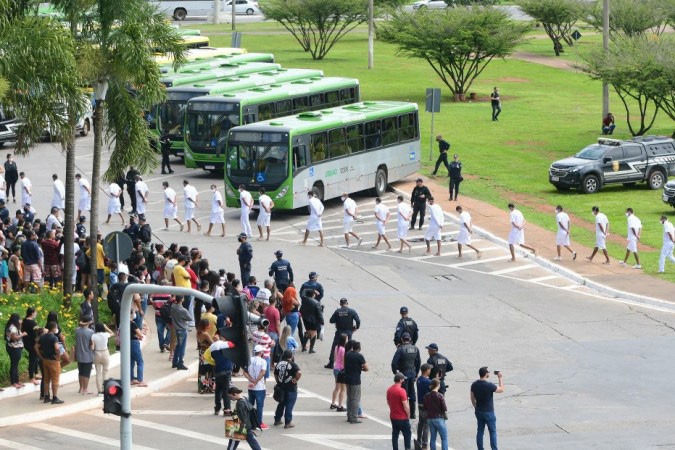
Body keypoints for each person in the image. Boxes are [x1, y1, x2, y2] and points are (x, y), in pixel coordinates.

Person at [471, 367, 504, 450]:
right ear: (486, 374)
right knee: (492, 432)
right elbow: (501, 390)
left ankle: (480, 448)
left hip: (479, 411)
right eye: (488, 372)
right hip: (489, 412)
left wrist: (476, 407)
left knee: (480, 431)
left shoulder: (474, 384)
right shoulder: (489, 385)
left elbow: (472, 398)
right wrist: (500, 378)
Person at [391, 332, 421, 419]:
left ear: (402, 339)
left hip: (403, 373)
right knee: (412, 393)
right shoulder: (415, 349)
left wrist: (396, 373)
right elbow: (418, 362)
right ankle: (413, 413)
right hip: (412, 373)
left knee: (404, 394)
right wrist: (416, 373)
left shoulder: (401, 349)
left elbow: (394, 363)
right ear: (410, 339)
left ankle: (404, 413)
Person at [326, 297, 360, 369]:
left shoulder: (337, 311)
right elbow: (358, 320)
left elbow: (331, 321)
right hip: (348, 332)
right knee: (348, 347)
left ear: (340, 304)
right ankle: (348, 363)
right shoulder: (352, 311)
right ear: (347, 303)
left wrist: (338, 319)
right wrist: (356, 327)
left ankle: (331, 363)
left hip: (339, 332)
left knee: (335, 346)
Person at [36, 321, 64, 403]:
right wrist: (58, 356)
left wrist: (40, 356)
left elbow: (36, 346)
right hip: (53, 360)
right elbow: (57, 348)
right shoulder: (54, 338)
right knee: (55, 379)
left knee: (46, 379)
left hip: (45, 360)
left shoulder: (43, 337)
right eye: (56, 327)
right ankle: (55, 397)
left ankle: (46, 396)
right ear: (54, 328)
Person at [211, 328, 236, 415]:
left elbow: (212, 357)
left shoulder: (213, 346)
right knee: (226, 391)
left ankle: (217, 408)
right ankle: (227, 409)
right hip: (226, 370)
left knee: (218, 390)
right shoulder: (225, 344)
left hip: (217, 370)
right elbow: (234, 345)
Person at [274, 349, 302, 429]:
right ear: (291, 356)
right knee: (289, 405)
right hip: (291, 388)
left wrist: (278, 381)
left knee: (281, 404)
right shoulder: (293, 364)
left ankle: (277, 419)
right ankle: (288, 422)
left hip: (281, 387)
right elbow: (299, 373)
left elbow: (275, 374)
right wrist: (296, 379)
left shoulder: (279, 363)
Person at [245, 344, 269, 429]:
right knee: (260, 406)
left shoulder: (249, 360)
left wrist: (251, 380)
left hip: (250, 387)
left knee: (250, 405)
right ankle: (259, 422)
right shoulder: (263, 361)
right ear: (261, 352)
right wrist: (255, 382)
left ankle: (250, 422)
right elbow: (262, 373)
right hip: (260, 387)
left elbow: (244, 372)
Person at [344, 340, 368, 424]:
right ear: (359, 348)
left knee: (349, 398)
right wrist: (361, 368)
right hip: (355, 380)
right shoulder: (359, 356)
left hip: (347, 378)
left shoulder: (347, 354)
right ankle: (353, 417)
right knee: (355, 399)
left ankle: (349, 415)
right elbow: (366, 368)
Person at [388, 372, 412, 450]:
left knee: (395, 434)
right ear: (401, 380)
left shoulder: (389, 389)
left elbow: (388, 402)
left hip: (393, 416)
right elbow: (405, 405)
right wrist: (408, 415)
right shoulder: (402, 391)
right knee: (407, 435)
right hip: (402, 417)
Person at [425, 378, 448, 450]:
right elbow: (444, 408)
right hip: (438, 418)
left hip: (430, 418)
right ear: (438, 385)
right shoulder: (440, 396)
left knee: (433, 438)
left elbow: (425, 407)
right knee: (444, 438)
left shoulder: (427, 395)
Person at [75, 315, 95, 394]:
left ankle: (81, 388)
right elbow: (91, 344)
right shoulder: (91, 332)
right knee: (86, 373)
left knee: (81, 372)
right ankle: (85, 389)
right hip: (88, 354)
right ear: (89, 322)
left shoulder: (77, 330)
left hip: (79, 354)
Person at [5, 312, 26, 388]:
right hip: (14, 348)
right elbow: (15, 338)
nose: (20, 320)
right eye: (19, 319)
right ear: (16, 319)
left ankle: (16, 381)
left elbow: (18, 331)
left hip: (15, 347)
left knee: (15, 364)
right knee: (14, 365)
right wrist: (23, 334)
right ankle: (13, 382)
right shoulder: (13, 328)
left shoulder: (13, 326)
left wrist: (20, 325)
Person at [91, 322, 113, 395]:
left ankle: (100, 390)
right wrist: (106, 327)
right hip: (105, 352)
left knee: (98, 372)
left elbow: (92, 347)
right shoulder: (106, 335)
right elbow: (112, 333)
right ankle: (105, 389)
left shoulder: (93, 336)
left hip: (97, 353)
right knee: (105, 371)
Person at [299, 288, 323, 353]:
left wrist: (313, 290)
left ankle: (303, 347)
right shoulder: (316, 303)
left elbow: (304, 290)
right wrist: (322, 321)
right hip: (313, 320)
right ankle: (311, 349)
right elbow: (319, 314)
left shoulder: (304, 299)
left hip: (305, 318)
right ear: (313, 295)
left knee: (307, 332)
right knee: (313, 333)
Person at [171, 295, 191, 370]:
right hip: (182, 329)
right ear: (182, 300)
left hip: (176, 329)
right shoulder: (183, 310)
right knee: (182, 347)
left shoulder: (173, 307)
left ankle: (175, 362)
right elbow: (190, 318)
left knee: (178, 346)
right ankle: (180, 363)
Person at [415, 364, 432, 450]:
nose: (430, 371)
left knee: (420, 423)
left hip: (420, 405)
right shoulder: (428, 382)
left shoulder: (419, 379)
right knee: (426, 425)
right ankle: (425, 444)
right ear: (426, 370)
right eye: (429, 370)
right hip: (426, 407)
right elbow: (434, 389)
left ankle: (418, 440)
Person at [22, 307, 40, 385]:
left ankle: (36, 373)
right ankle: (31, 378)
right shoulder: (31, 322)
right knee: (32, 360)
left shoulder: (24, 320)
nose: (36, 314)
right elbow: (36, 333)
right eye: (35, 312)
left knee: (35, 358)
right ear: (32, 313)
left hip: (26, 342)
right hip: (32, 343)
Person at [330, 333, 348, 411]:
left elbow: (335, 358)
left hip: (335, 368)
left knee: (337, 388)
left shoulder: (337, 347)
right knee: (343, 389)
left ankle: (333, 403)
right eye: (347, 339)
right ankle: (340, 406)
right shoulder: (343, 349)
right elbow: (344, 361)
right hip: (341, 369)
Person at [129, 310, 147, 387]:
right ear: (131, 314)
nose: (135, 314)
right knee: (140, 362)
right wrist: (140, 335)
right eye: (133, 313)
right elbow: (140, 334)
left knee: (131, 362)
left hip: (127, 343)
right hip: (134, 342)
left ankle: (131, 379)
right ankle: (141, 380)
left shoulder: (123, 322)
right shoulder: (132, 323)